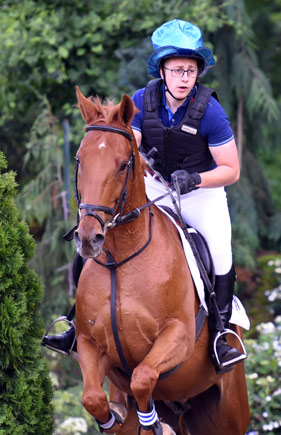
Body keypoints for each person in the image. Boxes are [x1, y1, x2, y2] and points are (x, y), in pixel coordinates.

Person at [43, 19, 246, 374]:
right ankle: (76, 324)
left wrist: (195, 179)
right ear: (162, 71)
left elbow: (231, 169)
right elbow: (128, 148)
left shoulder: (211, 111)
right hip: (154, 187)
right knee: (96, 239)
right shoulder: (142, 101)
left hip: (201, 192)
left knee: (220, 254)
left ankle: (219, 335)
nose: (184, 77)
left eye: (191, 70)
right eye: (177, 70)